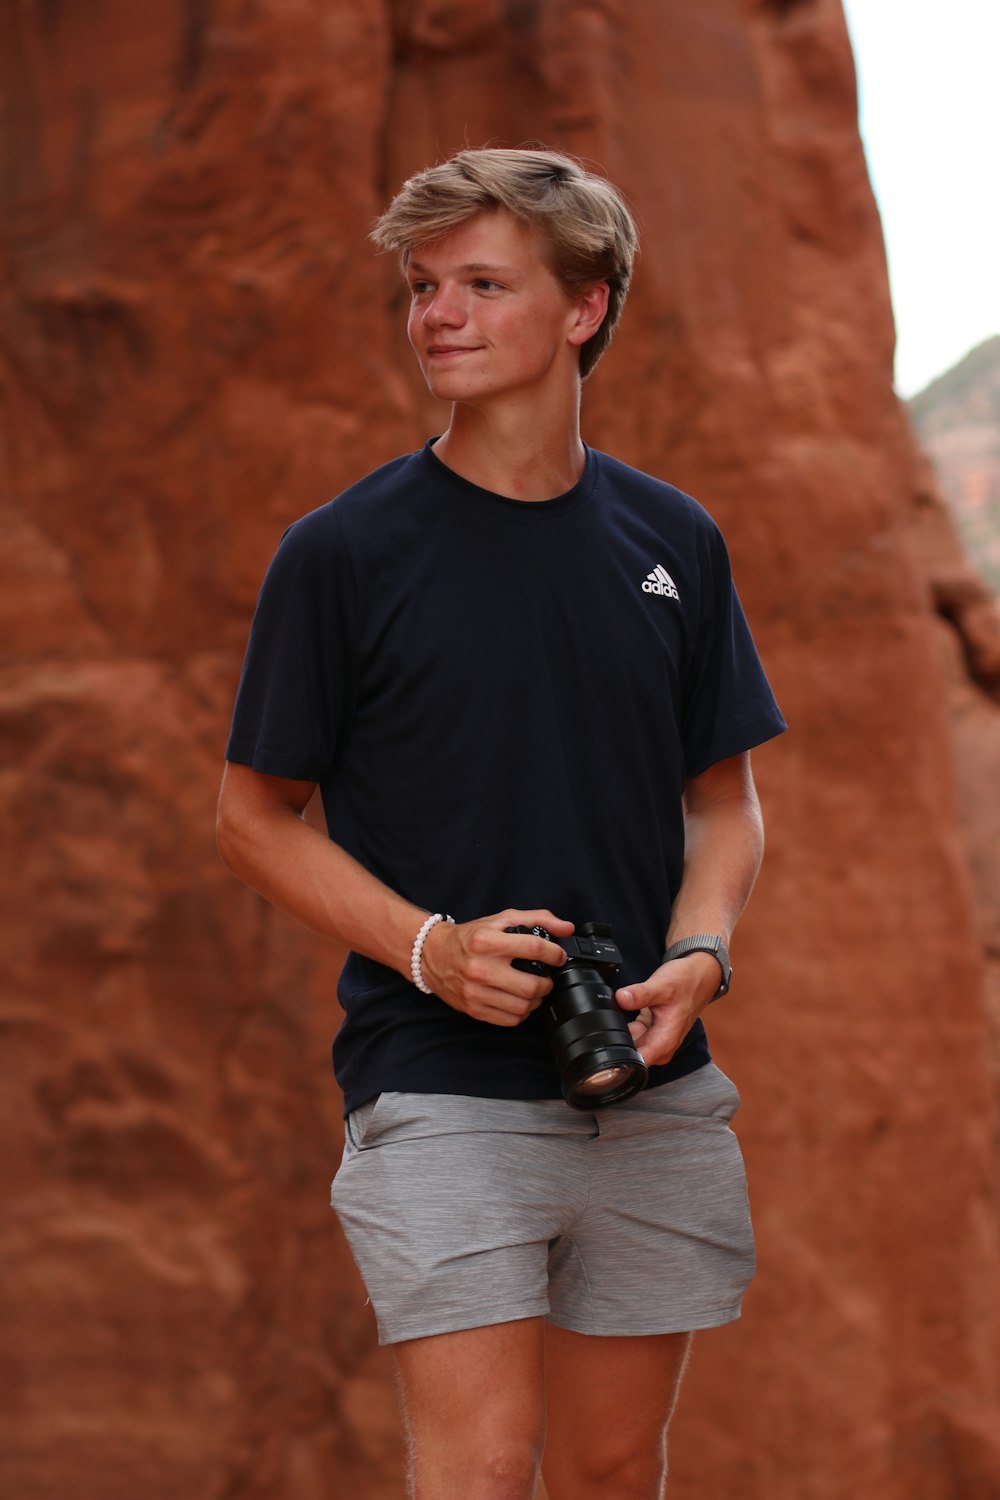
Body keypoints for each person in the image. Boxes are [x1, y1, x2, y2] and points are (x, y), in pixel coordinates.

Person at [217, 147, 786, 1500]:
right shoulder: (344, 553)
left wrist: (701, 956)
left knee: (608, 1469)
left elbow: (727, 800)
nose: (439, 315)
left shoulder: (674, 539)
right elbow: (250, 817)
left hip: (648, 1079)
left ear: (585, 308)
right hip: (438, 1078)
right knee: (477, 1469)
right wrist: (431, 950)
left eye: (483, 282)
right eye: (423, 287)